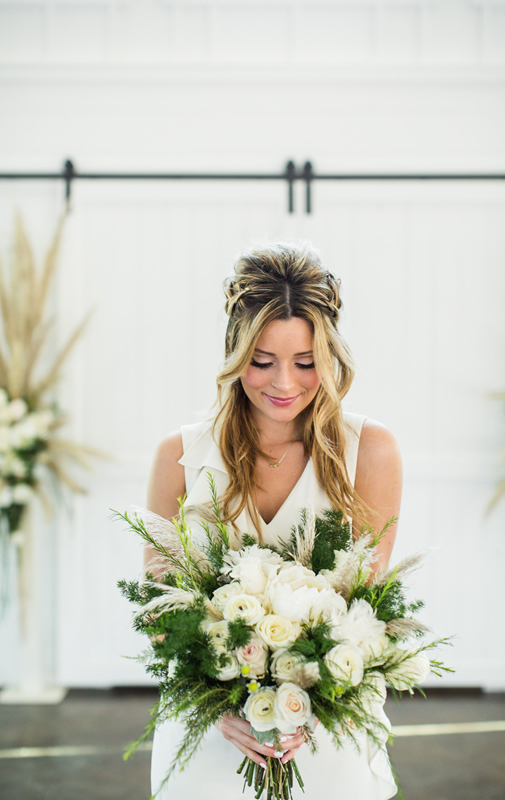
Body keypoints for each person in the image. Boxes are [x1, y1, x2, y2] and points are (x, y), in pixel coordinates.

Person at [145, 241, 402, 799]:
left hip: (329, 727)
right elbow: (161, 612)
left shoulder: (371, 452)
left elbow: (369, 610)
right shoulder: (178, 457)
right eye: (262, 362)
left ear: (330, 357)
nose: (284, 383)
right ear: (236, 355)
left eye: (306, 363)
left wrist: (312, 703)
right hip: (210, 734)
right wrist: (219, 711)